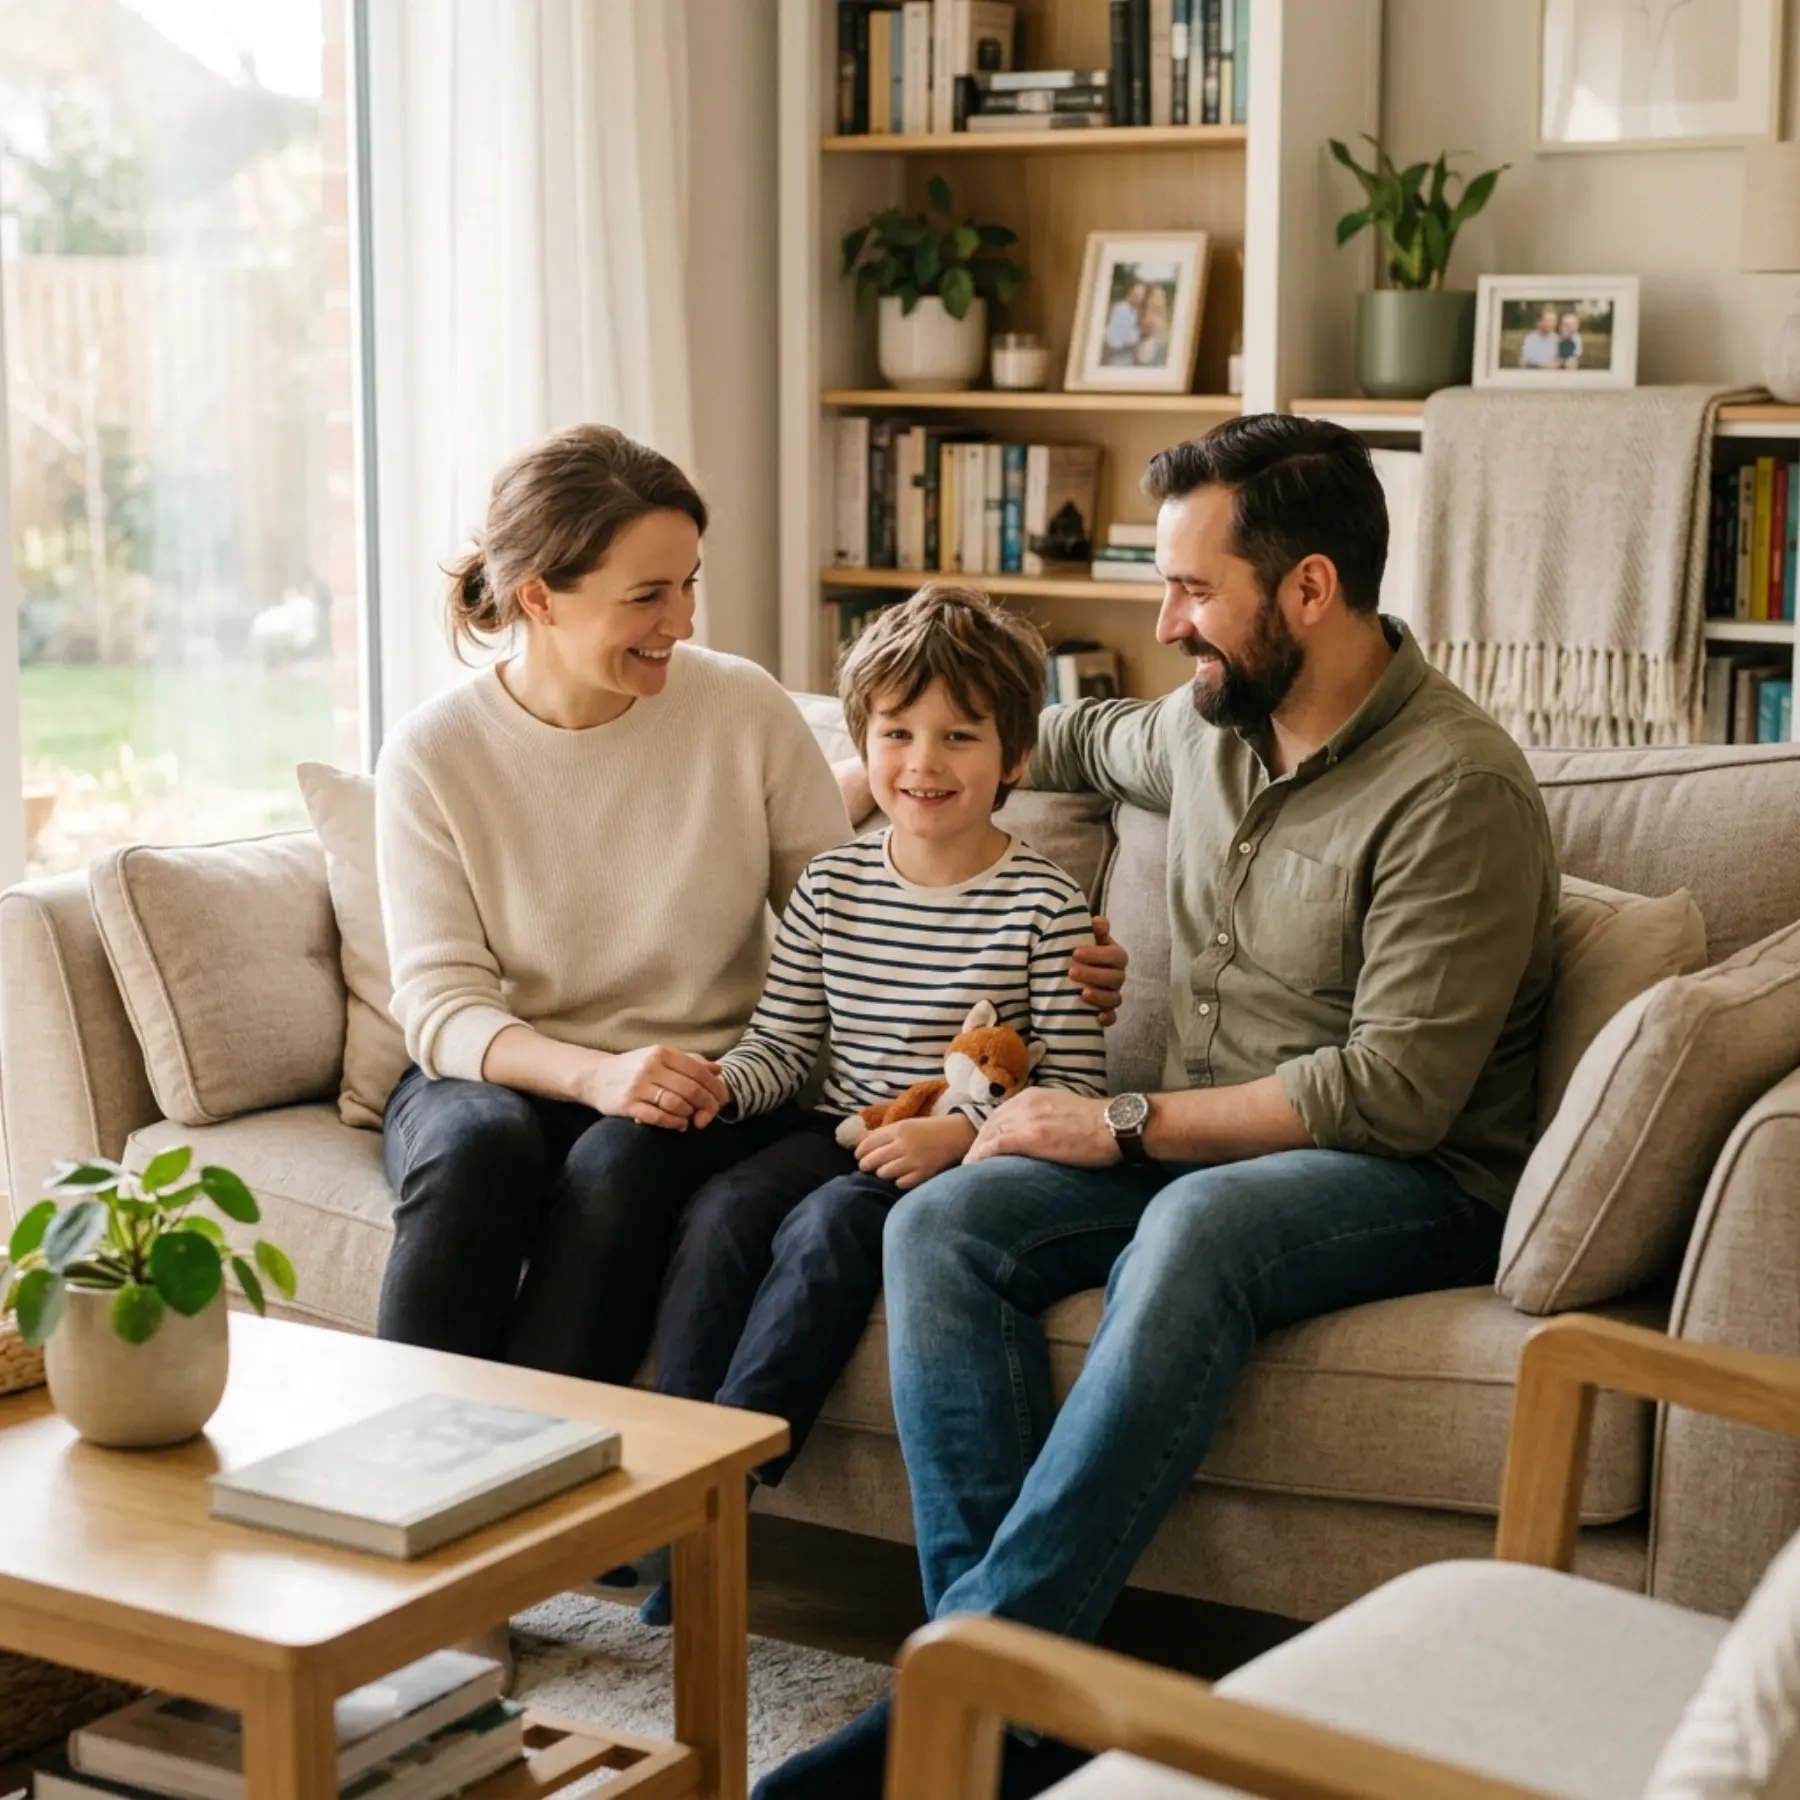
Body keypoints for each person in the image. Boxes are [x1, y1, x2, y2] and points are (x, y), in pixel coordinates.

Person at [756, 414, 1559, 1800]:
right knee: (943, 1223)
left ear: (1308, 590)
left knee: (1188, 1232)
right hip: (1192, 1131)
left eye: (1194, 590)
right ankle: (1009, 1719)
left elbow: (1393, 1091)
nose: (1169, 621)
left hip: (1398, 1177)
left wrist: (1120, 1125)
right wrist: (869, 785)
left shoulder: (1458, 789)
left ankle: (945, 1715)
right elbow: (1041, 734)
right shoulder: (1207, 723)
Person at [637, 585, 1109, 1625]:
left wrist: (959, 1135)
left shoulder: (1045, 903)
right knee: (720, 1216)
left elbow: (1077, 1089)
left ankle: (724, 1497)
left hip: (950, 1163)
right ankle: (666, 1485)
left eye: (959, 736)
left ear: (1014, 758)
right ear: (863, 741)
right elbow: (784, 1044)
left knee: (827, 1234)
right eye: (897, 734)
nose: (924, 763)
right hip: (834, 1124)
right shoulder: (832, 885)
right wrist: (719, 1088)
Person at [374, 422, 859, 1382]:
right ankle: (403, 1472)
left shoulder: (740, 710)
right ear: (538, 598)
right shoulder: (434, 754)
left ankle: (548, 1484)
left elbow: (839, 922)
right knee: (475, 1152)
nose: (680, 621)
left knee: (620, 1160)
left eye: (689, 585)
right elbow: (441, 1006)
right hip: (505, 1071)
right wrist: (593, 1076)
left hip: (697, 1079)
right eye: (646, 596)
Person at [1102, 279, 1146, 365]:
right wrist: (1140, 336)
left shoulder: (1135, 311)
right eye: (1137, 294)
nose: (1140, 297)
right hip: (1118, 354)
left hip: (1128, 353)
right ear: (1130, 292)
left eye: (1142, 295)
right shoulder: (1121, 309)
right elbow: (1115, 337)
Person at [1132, 283, 1171, 366]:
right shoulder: (1147, 321)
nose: (1161, 301)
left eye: (1162, 297)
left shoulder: (1163, 320)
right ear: (1149, 300)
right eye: (1157, 297)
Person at [1518, 304, 1563, 369]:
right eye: (1548, 320)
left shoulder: (1558, 339)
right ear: (1540, 321)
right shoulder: (1530, 339)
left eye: (1553, 321)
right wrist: (1542, 365)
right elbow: (1523, 362)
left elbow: (1560, 360)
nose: (1550, 324)